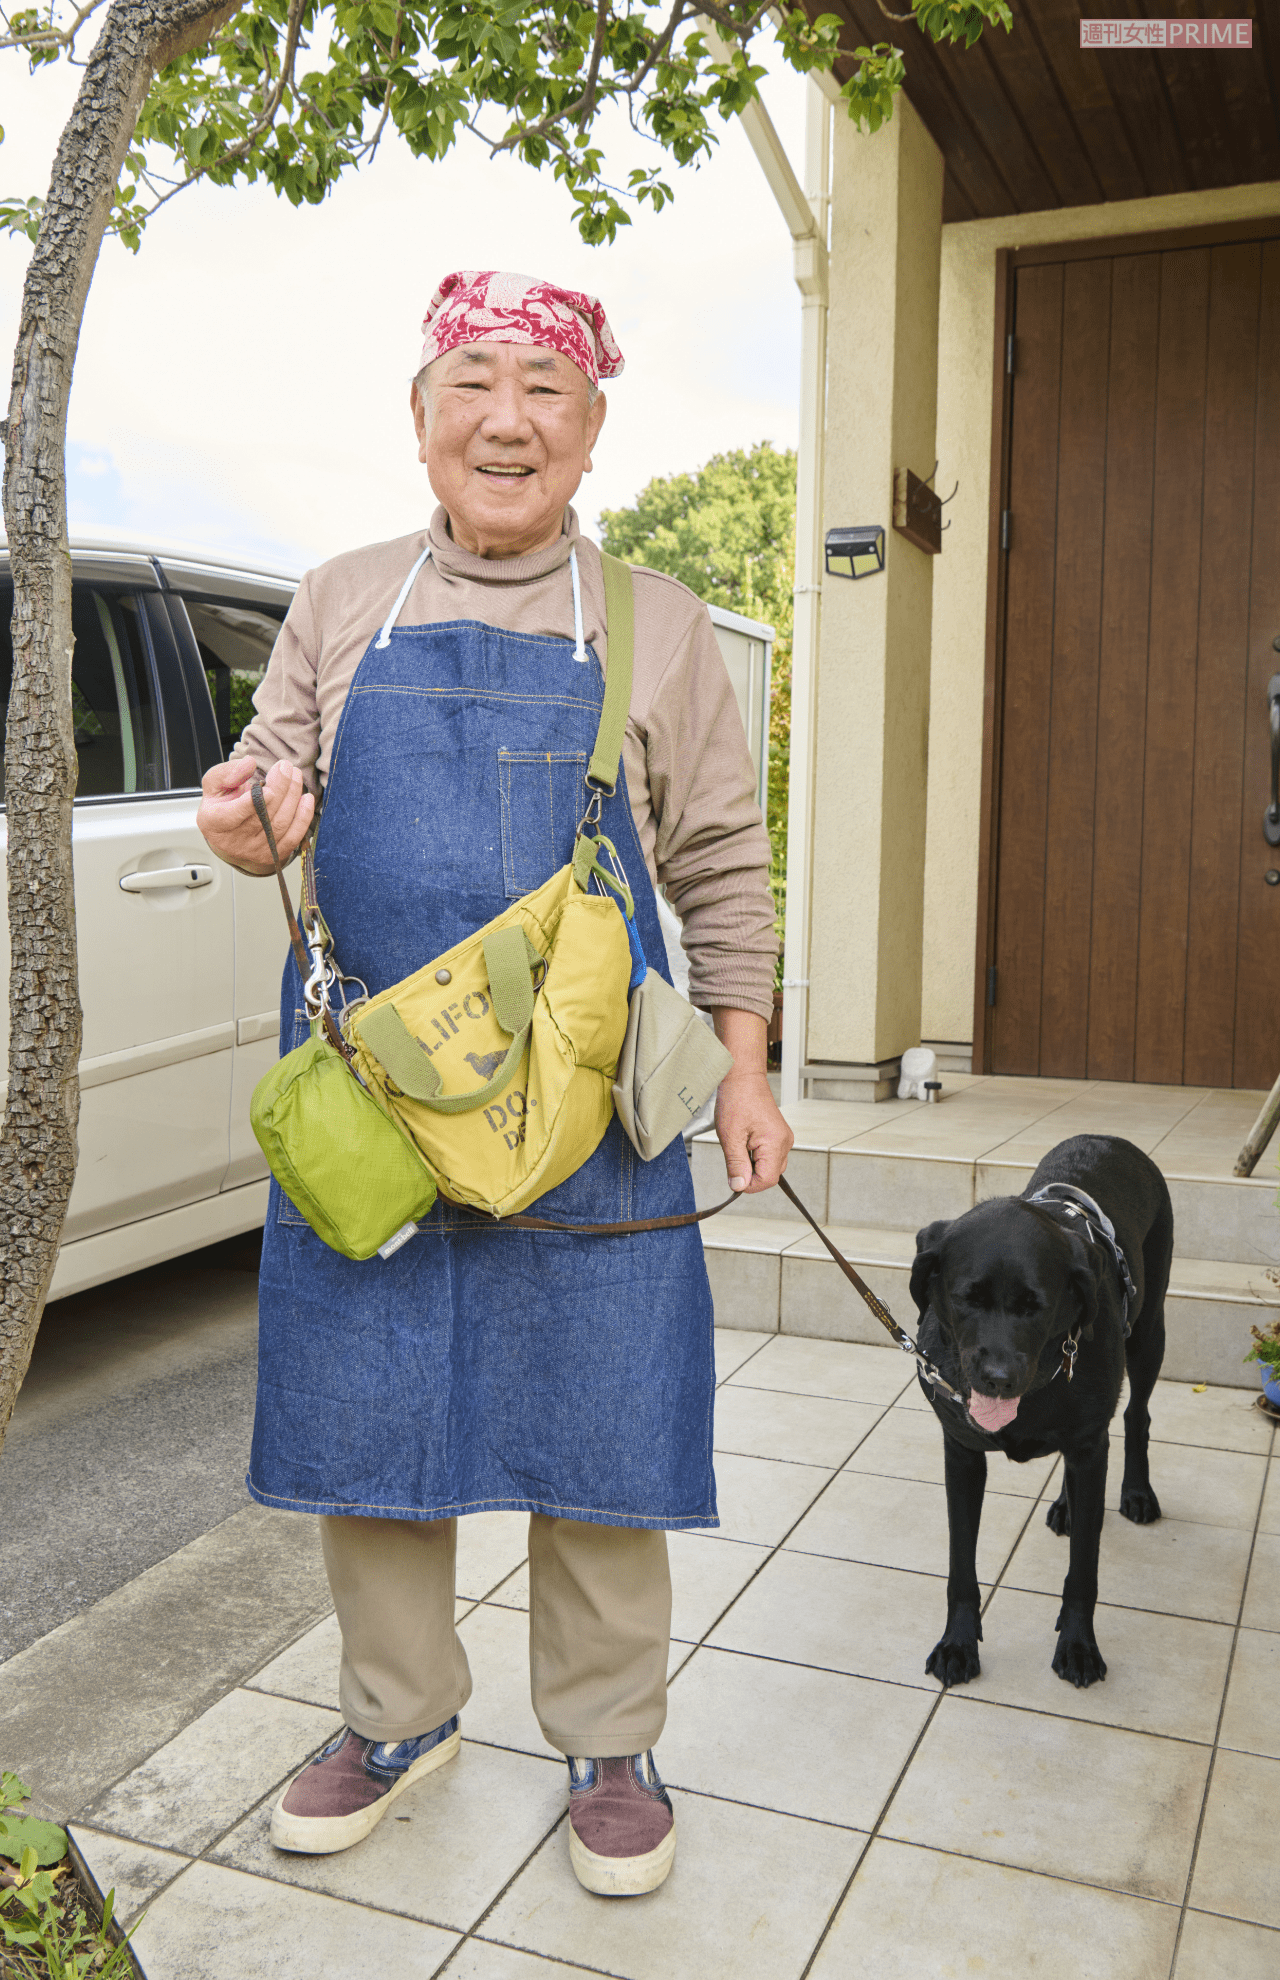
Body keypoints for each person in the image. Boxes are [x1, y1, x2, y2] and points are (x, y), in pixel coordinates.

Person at [196, 269, 792, 1897]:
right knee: (373, 1412)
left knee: (600, 1418)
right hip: (378, 1103)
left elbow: (726, 864)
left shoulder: (657, 622)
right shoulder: (339, 599)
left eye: (545, 386)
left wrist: (743, 1067)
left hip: (592, 1107)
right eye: (473, 380)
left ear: (592, 429)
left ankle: (610, 1739)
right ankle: (397, 1718)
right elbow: (269, 778)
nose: (505, 418)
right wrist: (249, 814)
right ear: (421, 415)